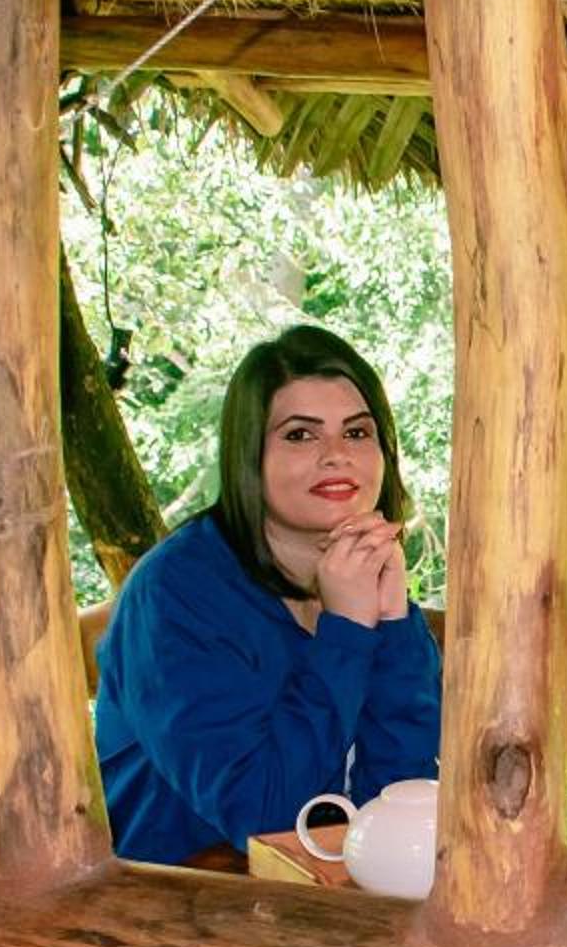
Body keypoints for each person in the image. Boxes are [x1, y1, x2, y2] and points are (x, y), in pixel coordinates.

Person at [93, 327, 441, 866]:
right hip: (181, 896)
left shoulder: (369, 579)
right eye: (300, 435)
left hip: (335, 895)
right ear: (249, 455)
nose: (336, 455)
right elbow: (266, 820)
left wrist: (393, 625)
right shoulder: (175, 595)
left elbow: (402, 799)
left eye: (356, 432)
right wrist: (348, 633)